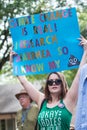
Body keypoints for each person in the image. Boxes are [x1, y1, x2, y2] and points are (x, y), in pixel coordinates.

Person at [10, 36, 87, 130]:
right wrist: (15, 64)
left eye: (57, 81)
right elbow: (24, 81)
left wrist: (86, 52)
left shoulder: (69, 99)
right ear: (47, 86)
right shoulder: (41, 100)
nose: (54, 83)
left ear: (62, 84)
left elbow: (79, 75)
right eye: (50, 82)